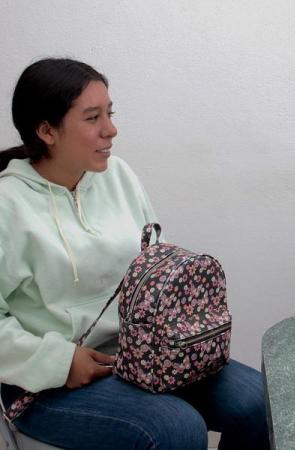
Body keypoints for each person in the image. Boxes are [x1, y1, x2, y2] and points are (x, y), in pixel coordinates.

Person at [0, 58, 269, 450]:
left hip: (144, 354)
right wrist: (59, 361)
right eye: (92, 118)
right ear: (47, 131)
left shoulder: (118, 175)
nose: (111, 130)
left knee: (260, 402)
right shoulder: (7, 205)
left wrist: (181, 334)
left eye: (109, 114)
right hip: (46, 382)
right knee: (178, 428)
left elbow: (155, 268)